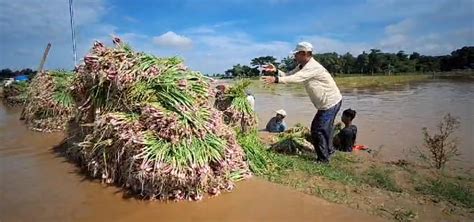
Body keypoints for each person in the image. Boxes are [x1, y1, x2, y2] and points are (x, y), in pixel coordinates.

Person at [262, 41, 342, 163]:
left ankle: (323, 159)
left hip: (330, 102)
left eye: (296, 54)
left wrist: (276, 79)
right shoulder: (302, 66)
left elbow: (296, 78)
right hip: (326, 103)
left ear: (304, 54)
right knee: (325, 128)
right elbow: (288, 75)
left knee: (317, 129)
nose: (294, 57)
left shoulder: (313, 67)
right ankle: (329, 151)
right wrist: (276, 71)